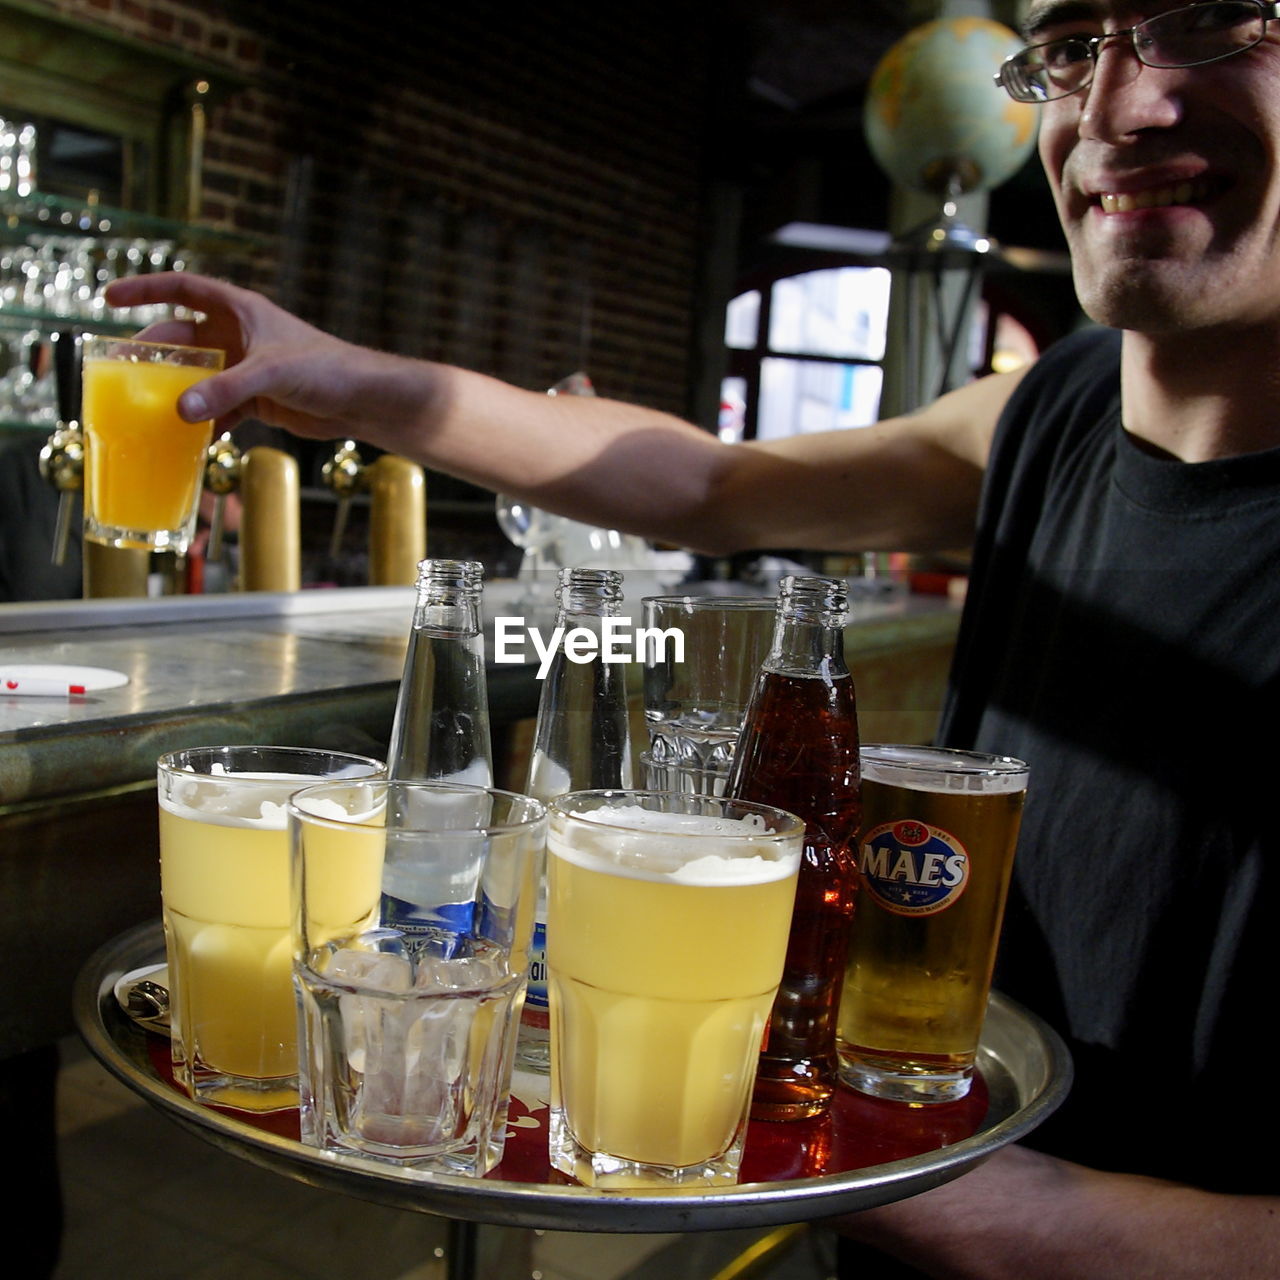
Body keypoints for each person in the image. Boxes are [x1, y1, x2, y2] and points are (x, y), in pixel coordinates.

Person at [102, 2, 1280, 1272]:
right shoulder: (1050, 408)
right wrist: (337, 374)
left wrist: (1014, 1220)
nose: (1115, 109)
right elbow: (711, 485)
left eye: (1212, 21)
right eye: (1073, 46)